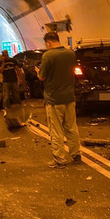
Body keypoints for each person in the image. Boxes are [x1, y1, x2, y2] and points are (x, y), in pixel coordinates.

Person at [35, 32, 81, 168]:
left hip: (54, 99)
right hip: (69, 96)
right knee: (72, 127)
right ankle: (76, 154)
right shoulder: (70, 53)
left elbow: (42, 77)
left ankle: (60, 159)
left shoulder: (48, 55)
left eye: (46, 44)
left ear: (48, 42)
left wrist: (38, 71)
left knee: (56, 131)